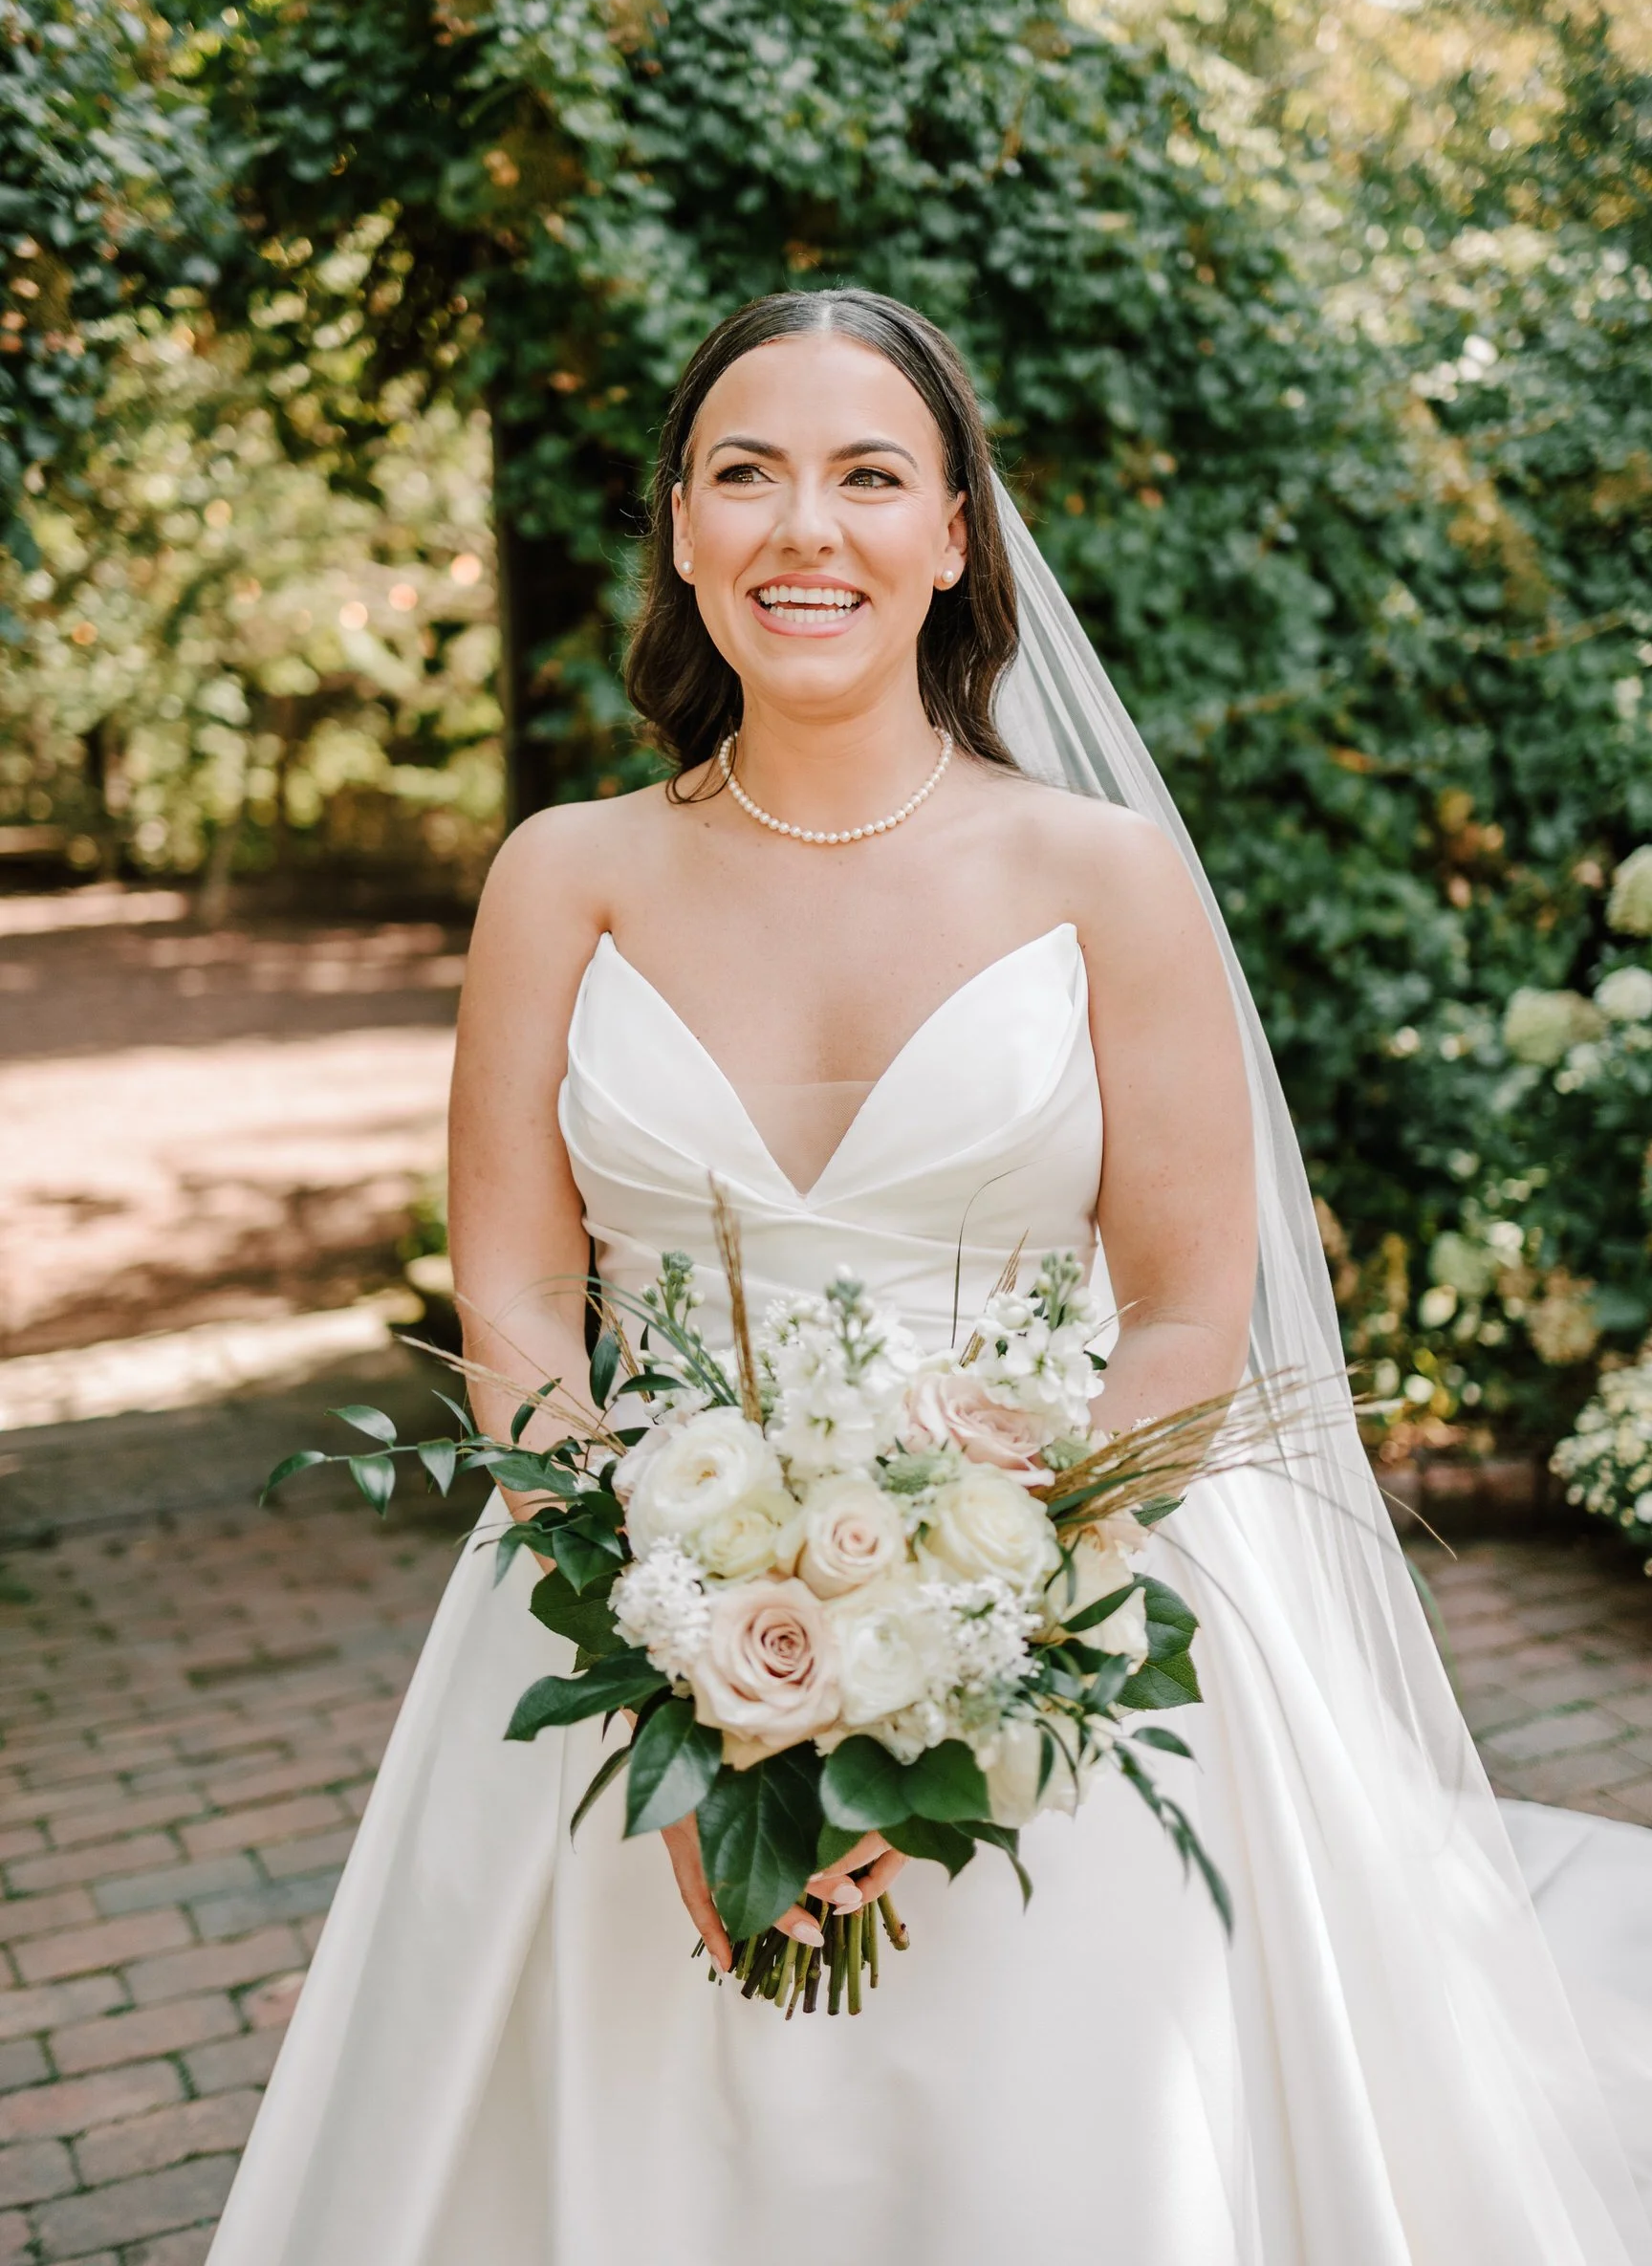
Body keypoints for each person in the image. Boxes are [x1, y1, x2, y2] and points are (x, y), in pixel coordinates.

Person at [206, 290, 1652, 2266]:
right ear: (684, 533)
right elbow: (524, 1301)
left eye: (870, 476)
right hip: (630, 1593)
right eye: (747, 474)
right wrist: (674, 1656)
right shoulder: (564, 871)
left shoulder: (1103, 876)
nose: (809, 528)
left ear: (956, 536)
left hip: (1078, 1600)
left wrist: (975, 1673)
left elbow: (1180, 1314)